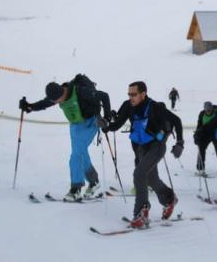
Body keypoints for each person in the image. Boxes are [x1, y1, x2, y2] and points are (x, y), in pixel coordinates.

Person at [101, 81, 184, 228]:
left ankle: (141, 212)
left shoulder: (154, 107)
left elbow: (176, 120)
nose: (130, 97)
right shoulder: (128, 106)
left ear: (143, 94)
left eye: (134, 94)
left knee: (139, 174)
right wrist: (106, 127)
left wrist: (180, 143)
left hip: (156, 146)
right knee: (151, 179)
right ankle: (169, 200)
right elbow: (117, 124)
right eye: (129, 94)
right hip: (140, 148)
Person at [19, 74, 111, 202]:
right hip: (75, 125)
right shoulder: (57, 95)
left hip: (91, 122)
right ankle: (93, 181)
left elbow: (104, 96)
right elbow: (46, 103)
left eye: (58, 100)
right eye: (55, 102)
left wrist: (107, 118)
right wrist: (30, 106)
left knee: (76, 154)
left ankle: (76, 188)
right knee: (80, 152)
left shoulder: (81, 92)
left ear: (63, 92)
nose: (58, 103)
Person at [194, 101, 217, 174]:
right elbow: (199, 125)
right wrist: (197, 134)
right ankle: (200, 169)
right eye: (207, 110)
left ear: (212, 108)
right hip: (205, 134)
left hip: (216, 134)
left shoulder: (216, 112)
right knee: (201, 149)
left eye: (210, 110)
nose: (208, 112)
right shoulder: (202, 114)